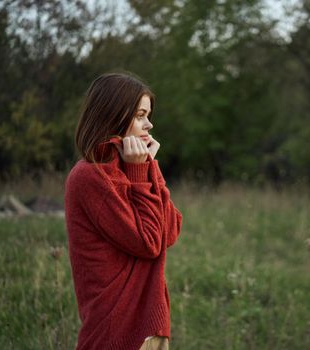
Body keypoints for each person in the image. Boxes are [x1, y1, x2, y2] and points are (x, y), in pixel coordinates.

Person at [64, 72, 183, 350]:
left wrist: (150, 168)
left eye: (148, 114)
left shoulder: (132, 168)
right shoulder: (89, 177)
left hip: (149, 324)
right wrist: (142, 172)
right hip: (116, 329)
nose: (149, 124)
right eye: (140, 115)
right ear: (115, 116)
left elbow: (171, 230)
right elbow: (150, 243)